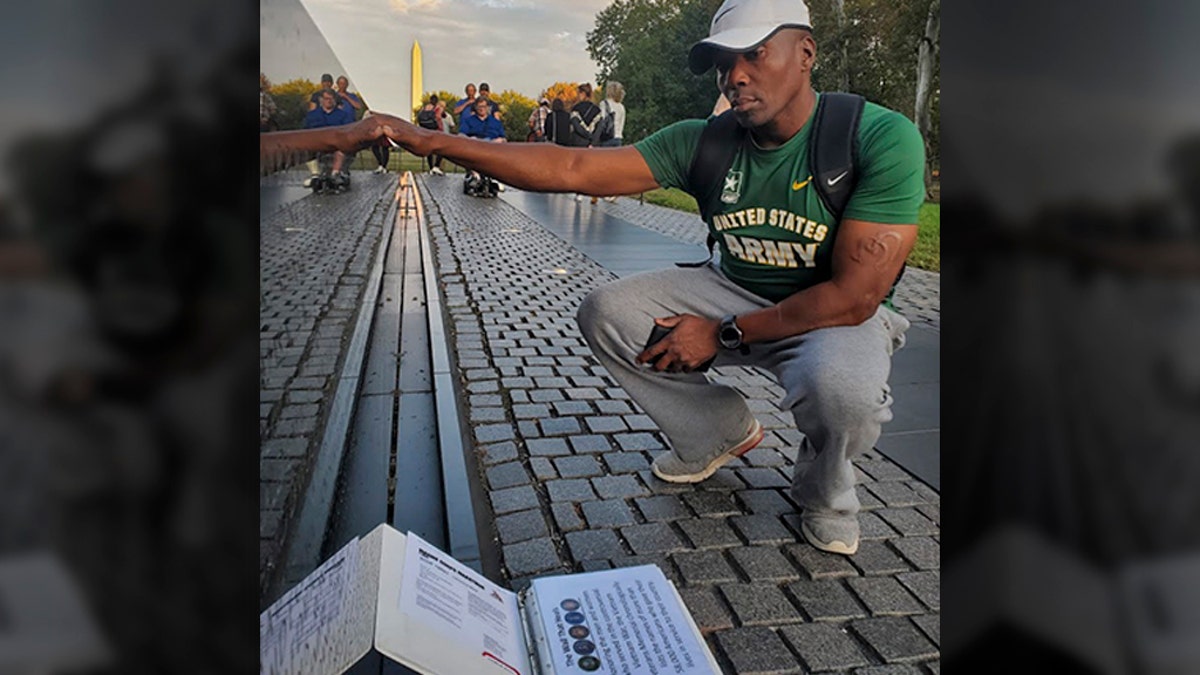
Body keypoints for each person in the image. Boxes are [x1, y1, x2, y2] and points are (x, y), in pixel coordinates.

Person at [264, 0, 924, 558]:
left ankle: (825, 489)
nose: (737, 76)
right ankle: (714, 428)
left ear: (805, 52)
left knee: (842, 389)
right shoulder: (706, 139)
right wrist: (430, 141)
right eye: (725, 63)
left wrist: (719, 333)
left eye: (755, 55)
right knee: (607, 309)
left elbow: (856, 295)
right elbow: (573, 170)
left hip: (834, 312)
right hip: (737, 287)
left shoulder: (875, 137)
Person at [303, 89, 356, 188]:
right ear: (321, 100)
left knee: (341, 150)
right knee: (306, 148)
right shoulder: (312, 115)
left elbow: (348, 131)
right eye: (326, 98)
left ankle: (335, 174)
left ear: (335, 100)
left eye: (331, 99)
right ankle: (315, 175)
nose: (329, 101)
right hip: (317, 143)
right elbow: (306, 131)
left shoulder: (343, 115)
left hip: (336, 144)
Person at [569, 83, 604, 203]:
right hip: (593, 143)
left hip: (579, 142)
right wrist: (593, 141)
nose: (577, 96)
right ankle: (594, 191)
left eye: (578, 93)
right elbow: (600, 127)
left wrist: (585, 135)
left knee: (579, 168)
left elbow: (576, 126)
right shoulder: (597, 110)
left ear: (583, 94)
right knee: (592, 169)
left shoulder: (575, 109)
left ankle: (579, 192)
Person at [598, 82, 627, 201]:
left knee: (604, 165)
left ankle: (604, 190)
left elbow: (602, 121)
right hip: (618, 137)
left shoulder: (604, 104)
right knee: (614, 167)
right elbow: (622, 124)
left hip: (607, 138)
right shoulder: (621, 107)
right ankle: (614, 190)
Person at [416, 95, 446, 175]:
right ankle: (436, 166)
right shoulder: (438, 108)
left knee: (430, 150)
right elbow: (443, 115)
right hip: (437, 130)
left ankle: (431, 167)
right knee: (441, 149)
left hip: (426, 131)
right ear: (437, 101)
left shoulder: (424, 108)